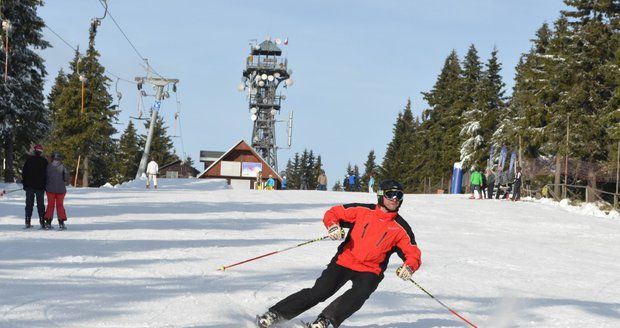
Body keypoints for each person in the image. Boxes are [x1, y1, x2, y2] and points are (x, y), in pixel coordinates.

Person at [257, 180, 422, 328]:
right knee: (319, 292)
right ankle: (276, 313)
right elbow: (333, 213)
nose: (394, 198)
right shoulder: (362, 211)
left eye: (398, 195)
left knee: (359, 294)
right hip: (345, 261)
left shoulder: (400, 228)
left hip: (370, 270)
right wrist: (333, 226)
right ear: (381, 195)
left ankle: (325, 321)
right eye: (390, 194)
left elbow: (413, 253)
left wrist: (409, 267)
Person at [21, 144, 48, 228]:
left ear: (34, 151)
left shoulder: (29, 160)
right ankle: (42, 221)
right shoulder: (44, 161)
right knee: (40, 204)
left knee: (29, 204)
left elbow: (24, 173)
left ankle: (27, 221)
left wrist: (24, 183)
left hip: (29, 186)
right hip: (40, 187)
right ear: (41, 152)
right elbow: (47, 174)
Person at [44, 152, 69, 230]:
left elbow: (45, 177)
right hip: (61, 190)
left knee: (50, 205)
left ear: (52, 158)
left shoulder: (48, 167)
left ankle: (48, 222)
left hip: (50, 190)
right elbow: (66, 178)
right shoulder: (63, 167)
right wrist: (65, 182)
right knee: (60, 206)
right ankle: (61, 223)